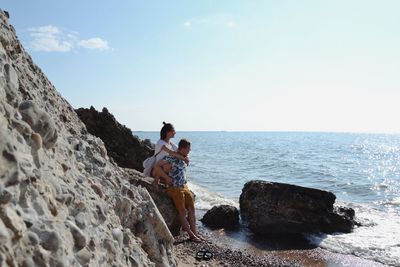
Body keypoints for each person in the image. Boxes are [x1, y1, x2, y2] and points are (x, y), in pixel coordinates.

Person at [153, 139, 205, 242]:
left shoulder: (183, 158)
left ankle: (195, 232)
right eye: (188, 149)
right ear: (183, 148)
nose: (189, 151)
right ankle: (191, 235)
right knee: (182, 211)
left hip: (184, 187)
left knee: (191, 209)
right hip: (175, 188)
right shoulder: (171, 158)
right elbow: (157, 166)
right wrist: (167, 178)